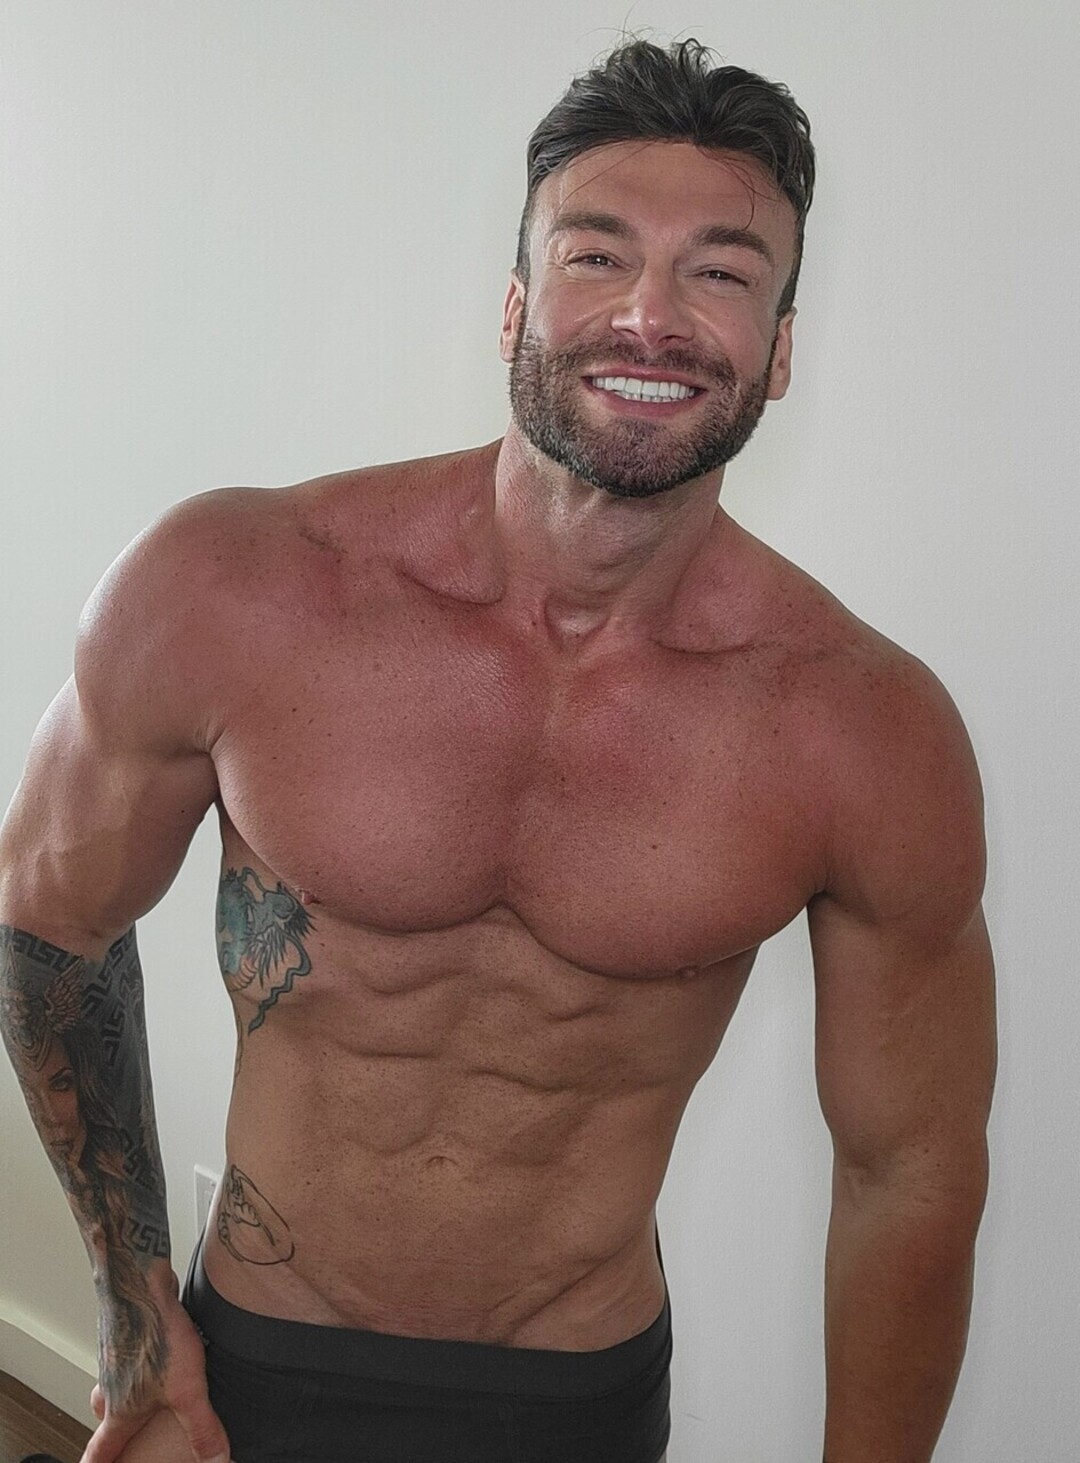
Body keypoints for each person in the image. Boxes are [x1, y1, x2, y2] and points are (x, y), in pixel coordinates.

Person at [0, 36, 996, 1463]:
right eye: (598, 256)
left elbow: (910, 1167)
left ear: (779, 352)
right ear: (517, 303)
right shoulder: (235, 587)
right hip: (261, 1348)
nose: (650, 315)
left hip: (574, 1391)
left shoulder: (866, 731)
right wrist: (131, 1306)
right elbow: (49, 919)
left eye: (721, 274)